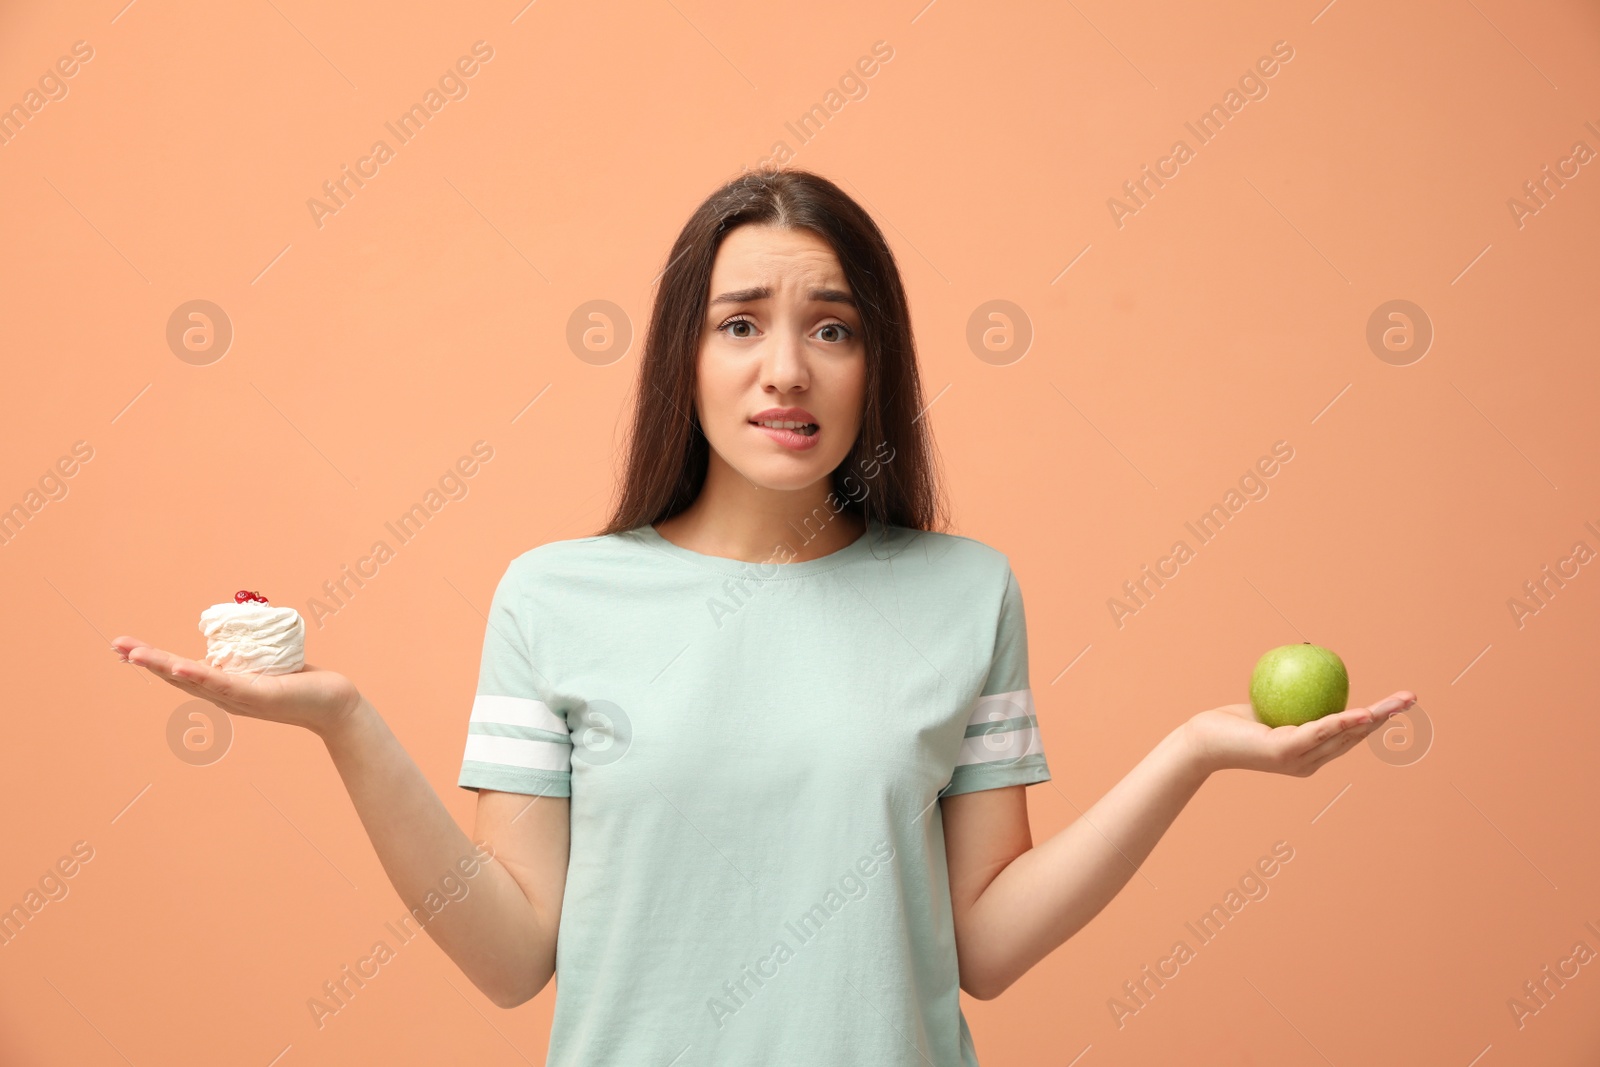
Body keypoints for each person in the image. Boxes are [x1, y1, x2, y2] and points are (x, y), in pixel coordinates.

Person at [112, 169, 1416, 1065]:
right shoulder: (556, 597)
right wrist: (343, 723)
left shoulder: (964, 594)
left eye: (831, 329)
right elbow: (514, 956)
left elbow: (987, 945)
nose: (785, 368)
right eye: (742, 324)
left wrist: (1193, 753)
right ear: (687, 355)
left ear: (875, 362)